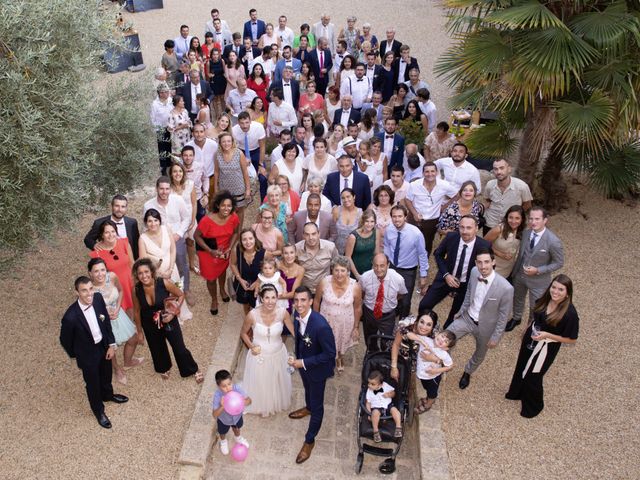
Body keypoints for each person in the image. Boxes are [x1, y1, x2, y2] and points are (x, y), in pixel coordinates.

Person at [505, 274, 579, 418]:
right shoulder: (545, 299)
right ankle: (516, 393)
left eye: (561, 290)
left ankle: (534, 406)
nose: (555, 292)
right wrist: (527, 330)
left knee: (534, 375)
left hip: (546, 347)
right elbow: (535, 317)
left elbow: (572, 340)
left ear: (567, 293)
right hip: (531, 338)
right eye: (554, 287)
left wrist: (548, 335)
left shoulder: (570, 314)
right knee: (521, 366)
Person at [60, 277, 128, 428]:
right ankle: (98, 411)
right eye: (84, 290)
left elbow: (106, 324)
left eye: (91, 288)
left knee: (106, 373)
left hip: (103, 347)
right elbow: (65, 340)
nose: (89, 293)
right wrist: (77, 354)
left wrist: (110, 344)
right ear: (76, 292)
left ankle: (108, 395)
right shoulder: (70, 317)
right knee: (92, 384)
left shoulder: (97, 299)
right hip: (87, 355)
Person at [446, 249, 513, 389]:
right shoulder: (474, 272)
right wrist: (460, 311)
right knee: (446, 337)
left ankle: (467, 372)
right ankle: (442, 363)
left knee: (480, 353)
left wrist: (496, 336)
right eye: (480, 262)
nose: (483, 266)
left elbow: (503, 316)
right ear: (476, 263)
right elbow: (470, 292)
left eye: (487, 262)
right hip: (467, 318)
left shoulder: (506, 288)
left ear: (493, 262)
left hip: (486, 327)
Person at [131, 258, 203, 383]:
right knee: (157, 348)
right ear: (137, 275)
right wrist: (140, 331)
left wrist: (174, 312)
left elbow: (180, 295)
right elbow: (137, 311)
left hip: (168, 318)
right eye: (140, 273)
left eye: (146, 272)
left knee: (179, 347)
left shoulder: (163, 283)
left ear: (152, 272)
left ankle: (192, 369)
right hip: (149, 323)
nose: (144, 275)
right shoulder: (136, 290)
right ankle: (164, 367)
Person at [287, 286, 337, 464]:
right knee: (307, 390)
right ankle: (307, 407)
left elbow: (330, 354)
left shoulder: (321, 326)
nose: (299, 304)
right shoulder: (297, 315)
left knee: (318, 405)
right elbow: (300, 339)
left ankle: (310, 440)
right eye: (296, 300)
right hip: (303, 364)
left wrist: (304, 363)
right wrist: (297, 356)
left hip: (317, 370)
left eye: (303, 300)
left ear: (310, 302)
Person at [419, 215, 491, 328]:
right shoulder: (451, 237)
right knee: (424, 304)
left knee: (456, 315)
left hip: (466, 285)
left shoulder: (484, 245)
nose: (464, 231)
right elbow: (438, 254)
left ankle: (446, 333)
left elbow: (488, 267)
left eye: (469, 228)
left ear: (476, 228)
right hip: (445, 278)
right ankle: (425, 327)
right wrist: (446, 275)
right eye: (462, 227)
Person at [506, 207, 565, 332]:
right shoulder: (526, 233)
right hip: (520, 276)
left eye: (537, 219)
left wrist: (538, 270)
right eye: (531, 218)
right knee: (517, 298)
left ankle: (530, 326)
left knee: (536, 306)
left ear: (545, 220)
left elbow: (559, 262)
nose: (533, 222)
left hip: (539, 281)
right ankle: (516, 318)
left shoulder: (553, 241)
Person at [240, 283, 295, 417]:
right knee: (261, 381)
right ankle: (261, 402)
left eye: (273, 297)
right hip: (259, 356)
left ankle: (274, 399)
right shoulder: (252, 315)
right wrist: (251, 346)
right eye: (267, 298)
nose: (270, 301)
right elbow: (243, 333)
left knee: (276, 380)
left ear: (277, 298)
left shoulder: (283, 313)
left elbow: (294, 333)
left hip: (278, 354)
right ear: (261, 299)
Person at [87, 259, 141, 386]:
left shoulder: (112, 276)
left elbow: (121, 291)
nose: (100, 274)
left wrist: (117, 308)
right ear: (90, 273)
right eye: (96, 271)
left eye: (102, 270)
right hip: (102, 322)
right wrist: (104, 314)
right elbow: (86, 311)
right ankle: (117, 369)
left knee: (133, 339)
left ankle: (128, 362)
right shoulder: (89, 289)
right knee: (110, 348)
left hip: (118, 314)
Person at [144, 176, 193, 306]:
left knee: (181, 266)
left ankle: (184, 290)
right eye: (161, 189)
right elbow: (146, 225)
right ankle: (167, 292)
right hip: (159, 243)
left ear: (170, 189)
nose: (164, 192)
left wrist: (179, 233)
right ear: (156, 189)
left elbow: (186, 218)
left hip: (177, 239)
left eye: (167, 189)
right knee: (161, 267)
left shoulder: (178, 200)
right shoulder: (148, 205)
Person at [138, 208, 193, 322]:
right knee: (163, 295)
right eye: (150, 221)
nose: (153, 224)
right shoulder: (142, 238)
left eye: (155, 220)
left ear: (159, 221)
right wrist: (160, 274)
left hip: (172, 268)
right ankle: (167, 315)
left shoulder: (166, 229)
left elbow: (173, 249)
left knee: (177, 290)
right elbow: (144, 261)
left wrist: (171, 268)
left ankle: (178, 311)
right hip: (156, 274)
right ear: (145, 222)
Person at [195, 191, 240, 316]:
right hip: (207, 251)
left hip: (224, 249)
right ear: (218, 206)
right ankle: (214, 299)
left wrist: (230, 248)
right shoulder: (206, 220)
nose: (226, 208)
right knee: (210, 278)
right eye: (223, 205)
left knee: (221, 271)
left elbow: (236, 232)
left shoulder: (234, 217)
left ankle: (222, 289)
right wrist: (210, 251)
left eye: (229, 206)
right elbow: (196, 236)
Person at [313, 256, 362, 372]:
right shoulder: (324, 282)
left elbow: (358, 308)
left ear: (348, 271)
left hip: (345, 323)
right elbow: (316, 301)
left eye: (343, 270)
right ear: (332, 270)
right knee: (326, 342)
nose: (339, 274)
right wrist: (315, 321)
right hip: (326, 321)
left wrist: (356, 327)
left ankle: (339, 357)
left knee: (341, 341)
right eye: (336, 270)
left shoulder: (355, 287)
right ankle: (327, 359)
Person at [383, 205, 429, 318]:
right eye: (394, 216)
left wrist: (423, 275)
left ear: (405, 217)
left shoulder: (416, 233)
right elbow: (387, 246)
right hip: (393, 267)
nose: (397, 219)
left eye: (399, 216)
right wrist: (387, 264)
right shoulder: (389, 230)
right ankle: (392, 316)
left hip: (408, 271)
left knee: (405, 301)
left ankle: (403, 322)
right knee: (391, 295)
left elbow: (422, 254)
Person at [405, 162, 458, 255]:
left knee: (427, 244)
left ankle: (423, 267)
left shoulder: (444, 185)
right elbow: (407, 199)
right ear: (423, 173)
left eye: (432, 171)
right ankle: (410, 266)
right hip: (415, 219)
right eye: (427, 172)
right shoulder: (414, 185)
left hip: (432, 221)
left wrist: (444, 207)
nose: (430, 174)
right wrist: (414, 213)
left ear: (437, 172)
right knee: (410, 243)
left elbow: (457, 195)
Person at [89, 220, 135, 317]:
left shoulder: (124, 243)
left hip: (130, 284)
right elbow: (97, 276)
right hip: (115, 289)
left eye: (113, 231)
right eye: (106, 232)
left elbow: (132, 264)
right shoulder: (96, 253)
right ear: (101, 235)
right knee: (123, 319)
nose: (110, 235)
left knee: (136, 315)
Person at [359, 253, 408, 342]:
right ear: (372, 265)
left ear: (388, 265)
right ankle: (371, 351)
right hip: (369, 313)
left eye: (382, 266)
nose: (378, 269)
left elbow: (401, 294)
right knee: (370, 338)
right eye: (376, 266)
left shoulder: (398, 279)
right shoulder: (365, 277)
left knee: (386, 341)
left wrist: (390, 302)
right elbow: (361, 293)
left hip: (388, 315)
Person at [483, 158, 533, 235]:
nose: (498, 172)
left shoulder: (522, 186)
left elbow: (527, 204)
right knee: (487, 246)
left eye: (502, 168)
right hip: (490, 223)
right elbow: (487, 200)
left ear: (509, 169)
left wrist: (515, 216)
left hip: (510, 225)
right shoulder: (490, 184)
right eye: (495, 169)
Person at [212, 131, 251, 228]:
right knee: (226, 211)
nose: (226, 144)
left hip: (238, 188)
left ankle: (238, 232)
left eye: (228, 141)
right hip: (224, 189)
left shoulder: (239, 153)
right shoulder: (217, 155)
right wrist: (216, 188)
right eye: (224, 141)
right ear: (220, 143)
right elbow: (216, 172)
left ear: (232, 142)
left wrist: (247, 189)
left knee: (239, 211)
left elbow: (245, 172)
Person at [84, 194, 140, 259]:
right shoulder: (99, 223)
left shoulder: (132, 223)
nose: (120, 209)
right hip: (108, 260)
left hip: (128, 260)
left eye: (123, 206)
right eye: (117, 206)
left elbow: (136, 243)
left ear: (126, 208)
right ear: (112, 206)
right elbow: (88, 239)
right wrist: (94, 245)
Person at [415, 330, 456, 413]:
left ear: (446, 348)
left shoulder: (444, 354)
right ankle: (428, 398)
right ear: (437, 334)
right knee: (426, 387)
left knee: (432, 392)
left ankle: (428, 404)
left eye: (446, 341)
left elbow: (450, 366)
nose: (442, 340)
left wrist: (437, 370)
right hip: (423, 374)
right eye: (443, 336)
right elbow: (413, 336)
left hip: (433, 377)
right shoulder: (426, 340)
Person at [212, 369, 251, 455]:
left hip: (237, 417)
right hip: (224, 420)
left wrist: (242, 401)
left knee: (237, 428)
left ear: (232, 382)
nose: (228, 388)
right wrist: (222, 406)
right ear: (218, 386)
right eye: (224, 386)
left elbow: (249, 401)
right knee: (222, 432)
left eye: (229, 384)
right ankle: (223, 441)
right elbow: (214, 415)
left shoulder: (237, 389)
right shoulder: (218, 395)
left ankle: (238, 438)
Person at [168, 161, 198, 272]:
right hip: (176, 221)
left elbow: (194, 203)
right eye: (175, 171)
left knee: (190, 241)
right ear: (171, 173)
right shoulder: (168, 188)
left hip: (189, 218)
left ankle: (191, 264)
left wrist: (192, 220)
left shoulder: (190, 184)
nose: (177, 174)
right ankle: (178, 266)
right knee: (177, 244)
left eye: (180, 171)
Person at [229, 228, 266, 314]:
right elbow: (233, 264)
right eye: (244, 239)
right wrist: (240, 279)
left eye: (250, 238)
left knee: (257, 307)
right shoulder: (236, 250)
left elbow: (269, 269)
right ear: (241, 241)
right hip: (242, 283)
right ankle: (248, 319)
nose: (248, 242)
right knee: (245, 306)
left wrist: (258, 281)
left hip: (258, 285)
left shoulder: (264, 253)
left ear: (255, 239)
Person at [232, 111, 267, 200]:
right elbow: (234, 148)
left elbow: (262, 147)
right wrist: (242, 158)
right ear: (238, 123)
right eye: (242, 123)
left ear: (250, 121)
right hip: (241, 152)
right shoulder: (234, 130)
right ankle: (242, 198)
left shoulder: (258, 127)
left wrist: (261, 164)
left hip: (256, 151)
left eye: (247, 122)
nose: (244, 125)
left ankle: (264, 201)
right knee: (240, 177)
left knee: (263, 178)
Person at [295, 222, 338, 294]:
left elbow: (338, 266)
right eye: (307, 234)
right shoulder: (297, 248)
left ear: (319, 234)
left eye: (313, 234)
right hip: (305, 291)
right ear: (303, 235)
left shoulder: (330, 247)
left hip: (325, 289)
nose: (311, 238)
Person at [484, 205, 526, 278]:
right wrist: (499, 253)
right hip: (493, 267)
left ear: (522, 219)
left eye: (517, 218)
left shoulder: (522, 231)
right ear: (506, 217)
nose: (513, 221)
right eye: (510, 217)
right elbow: (483, 244)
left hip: (508, 269)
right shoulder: (499, 229)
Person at [365, 370, 402, 442]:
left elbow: (393, 393)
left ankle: (398, 427)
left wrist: (389, 394)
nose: (369, 385)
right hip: (376, 407)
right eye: (369, 383)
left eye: (372, 384)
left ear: (380, 385)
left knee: (395, 411)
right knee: (374, 413)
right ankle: (375, 431)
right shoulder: (369, 391)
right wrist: (369, 413)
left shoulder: (385, 385)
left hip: (388, 405)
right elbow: (368, 403)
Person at [345, 210, 381, 279]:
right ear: (363, 221)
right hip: (355, 270)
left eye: (372, 221)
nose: (369, 224)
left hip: (370, 270)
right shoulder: (353, 236)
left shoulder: (376, 232)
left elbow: (376, 253)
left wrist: (375, 269)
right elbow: (348, 257)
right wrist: (357, 275)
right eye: (367, 221)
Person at [150, 83, 174, 175]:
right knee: (162, 148)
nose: (167, 93)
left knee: (170, 146)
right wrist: (158, 129)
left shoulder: (170, 101)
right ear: (160, 93)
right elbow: (153, 118)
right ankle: (163, 166)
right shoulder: (155, 104)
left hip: (170, 128)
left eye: (167, 92)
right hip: (161, 129)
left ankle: (170, 163)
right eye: (165, 92)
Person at [331, 188, 362, 255]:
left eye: (348, 197)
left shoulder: (360, 213)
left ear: (354, 197)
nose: (346, 200)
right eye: (343, 198)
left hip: (354, 252)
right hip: (337, 251)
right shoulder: (337, 211)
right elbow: (331, 230)